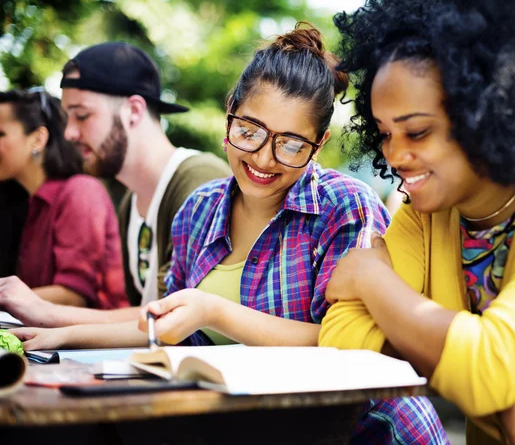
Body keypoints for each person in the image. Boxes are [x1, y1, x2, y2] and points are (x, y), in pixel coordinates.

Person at [13, 24, 449, 444]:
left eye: (292, 144)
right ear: (229, 114)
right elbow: (172, 325)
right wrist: (61, 334)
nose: (263, 158)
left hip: (368, 432)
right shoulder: (198, 211)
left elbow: (349, 345)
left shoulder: (344, 207)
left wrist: (215, 311)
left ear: (319, 143)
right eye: (249, 131)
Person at [318, 0, 515, 444]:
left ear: (485, 114)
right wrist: (507, 386)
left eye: (418, 131)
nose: (395, 155)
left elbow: (485, 367)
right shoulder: (426, 215)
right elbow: (342, 337)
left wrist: (369, 276)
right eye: (385, 134)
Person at [0, 42, 231, 326]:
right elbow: (144, 316)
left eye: (82, 115)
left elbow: (176, 317)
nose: (69, 132)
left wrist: (46, 314)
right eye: (67, 117)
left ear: (134, 110)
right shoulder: (130, 205)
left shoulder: (199, 180)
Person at [0, 89, 128, 309]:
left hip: (103, 341)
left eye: (0, 134)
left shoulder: (81, 192)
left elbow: (73, 294)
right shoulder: (32, 203)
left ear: (38, 139)